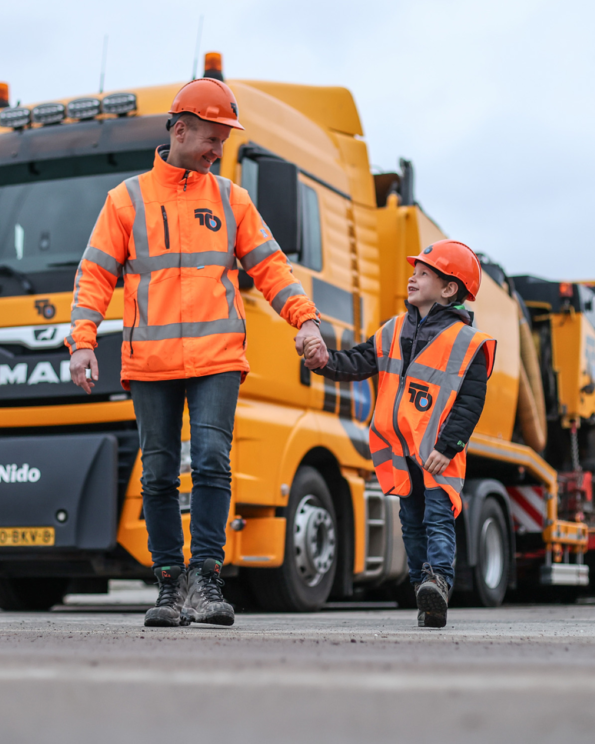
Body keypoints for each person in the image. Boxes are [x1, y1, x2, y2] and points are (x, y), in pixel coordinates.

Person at [66, 77, 327, 627]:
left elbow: (271, 267)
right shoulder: (126, 200)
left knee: (211, 462)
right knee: (159, 474)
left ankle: (206, 582)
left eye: (223, 142)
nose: (217, 151)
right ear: (180, 131)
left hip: (216, 360)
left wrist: (306, 320)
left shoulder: (232, 200)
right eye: (212, 139)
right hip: (150, 362)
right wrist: (82, 342)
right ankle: (169, 587)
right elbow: (94, 275)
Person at [303, 240, 496, 628]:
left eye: (424, 274)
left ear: (449, 289)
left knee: (437, 519)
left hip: (438, 453)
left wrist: (448, 447)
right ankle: (424, 594)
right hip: (401, 452)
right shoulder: (393, 330)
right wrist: (323, 361)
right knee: (411, 524)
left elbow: (470, 404)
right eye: (414, 271)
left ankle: (438, 582)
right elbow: (358, 361)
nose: (413, 278)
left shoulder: (469, 343)